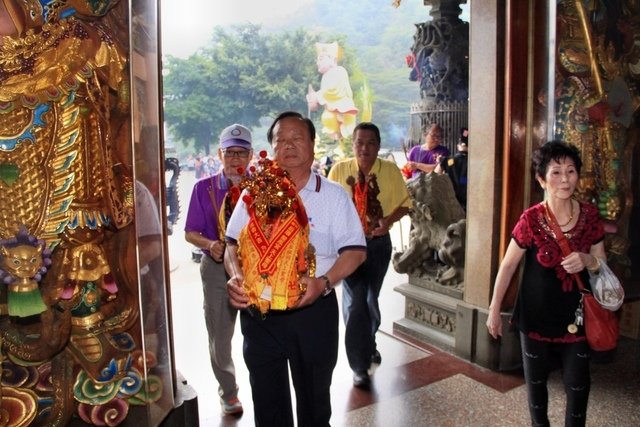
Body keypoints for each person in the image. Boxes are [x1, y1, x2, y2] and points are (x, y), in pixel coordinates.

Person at [224, 111, 366, 426]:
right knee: (268, 403)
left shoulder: (333, 196)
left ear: (313, 146)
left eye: (297, 138)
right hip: (260, 314)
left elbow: (355, 252)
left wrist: (324, 283)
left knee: (314, 403)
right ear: (272, 150)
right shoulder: (254, 194)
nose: (289, 145)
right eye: (281, 140)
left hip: (313, 312)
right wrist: (236, 274)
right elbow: (231, 244)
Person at [486, 141, 606, 427]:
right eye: (556, 172)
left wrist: (587, 260)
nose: (565, 179)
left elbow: (602, 264)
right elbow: (508, 265)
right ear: (541, 179)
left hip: (577, 318)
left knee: (578, 388)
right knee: (537, 389)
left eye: (571, 171)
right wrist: (493, 309)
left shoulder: (589, 216)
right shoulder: (531, 219)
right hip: (535, 318)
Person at [328, 122, 411, 388]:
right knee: (355, 303)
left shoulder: (388, 170)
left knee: (370, 298)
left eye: (371, 143)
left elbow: (405, 205)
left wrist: (386, 221)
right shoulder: (339, 170)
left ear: (378, 145)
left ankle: (369, 341)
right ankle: (359, 364)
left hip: (378, 246)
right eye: (359, 142)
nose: (364, 148)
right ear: (353, 145)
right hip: (349, 247)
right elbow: (328, 209)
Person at [184, 123, 254, 416]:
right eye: (229, 153)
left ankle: (264, 384)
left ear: (250, 156)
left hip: (254, 269)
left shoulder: (262, 187)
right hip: (215, 268)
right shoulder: (203, 188)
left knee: (260, 331)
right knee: (220, 334)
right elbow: (190, 232)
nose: (235, 160)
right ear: (219, 153)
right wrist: (210, 244)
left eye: (241, 153)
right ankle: (229, 393)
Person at [435, 127, 468, 210]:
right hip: (470, 202)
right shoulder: (475, 163)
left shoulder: (447, 161)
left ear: (458, 146)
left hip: (451, 202)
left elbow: (435, 178)